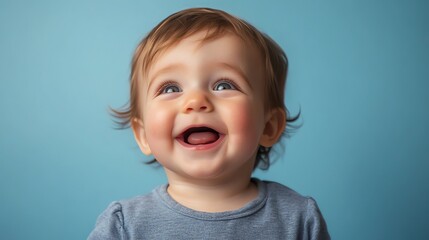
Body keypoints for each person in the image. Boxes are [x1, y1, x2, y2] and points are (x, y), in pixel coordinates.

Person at [88, 7, 330, 239]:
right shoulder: (124, 226)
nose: (195, 101)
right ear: (142, 134)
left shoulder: (298, 218)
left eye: (224, 85)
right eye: (171, 88)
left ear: (269, 126)